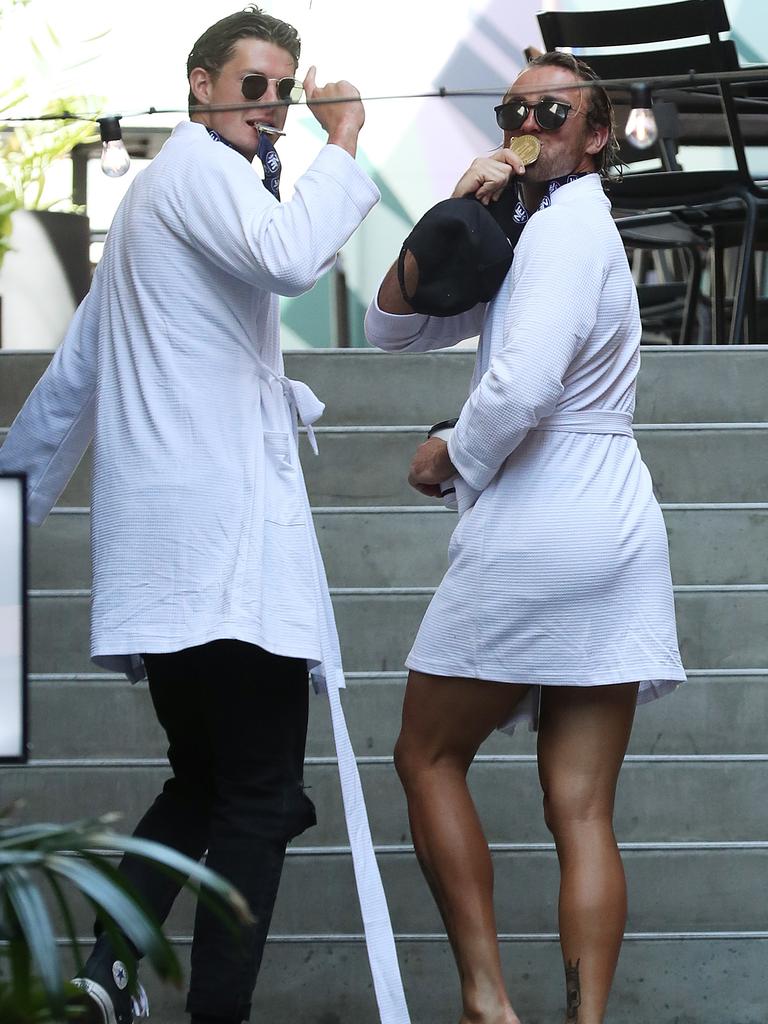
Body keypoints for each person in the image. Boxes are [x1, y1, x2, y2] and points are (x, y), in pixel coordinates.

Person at [0, 8, 410, 1024]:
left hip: (171, 552)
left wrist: (12, 489)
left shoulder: (156, 197)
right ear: (200, 84)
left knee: (208, 779)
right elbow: (287, 254)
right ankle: (212, 1011)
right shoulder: (204, 174)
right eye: (257, 87)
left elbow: (79, 371)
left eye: (287, 88)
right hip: (223, 552)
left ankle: (107, 970)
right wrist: (344, 139)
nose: (273, 108)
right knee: (263, 797)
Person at [365, 51, 686, 1024]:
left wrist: (447, 457)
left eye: (556, 109)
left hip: (548, 517)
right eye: (516, 108)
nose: (532, 120)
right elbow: (394, 328)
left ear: (596, 134)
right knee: (581, 807)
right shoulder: (533, 230)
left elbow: (521, 388)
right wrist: (456, 212)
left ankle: (486, 1001)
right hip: (612, 527)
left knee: (424, 757)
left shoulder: (565, 237)